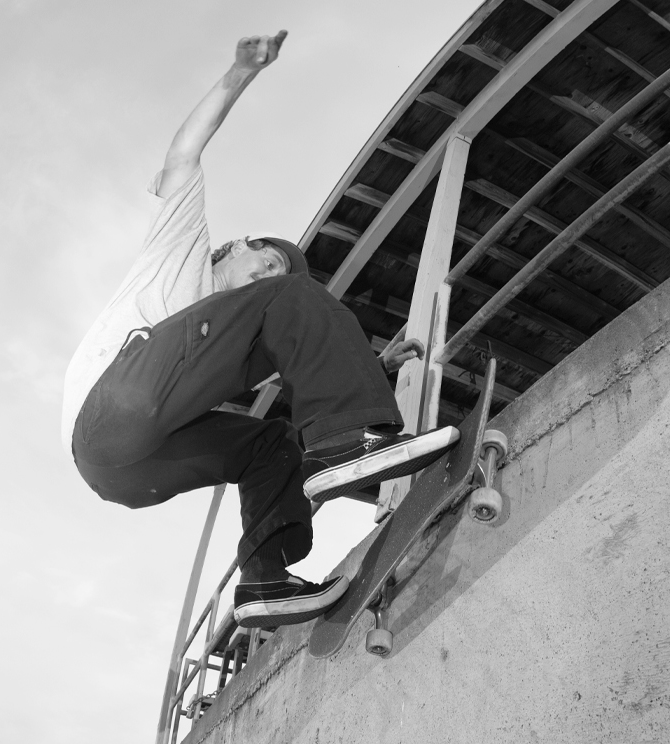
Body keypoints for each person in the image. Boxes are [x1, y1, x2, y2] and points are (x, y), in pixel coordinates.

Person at [62, 31, 458, 629]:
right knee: (289, 305)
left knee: (270, 442)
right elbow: (184, 154)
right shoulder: (182, 251)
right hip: (109, 411)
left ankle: (264, 580)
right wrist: (240, 71)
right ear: (235, 246)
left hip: (130, 474)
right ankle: (347, 444)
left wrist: (374, 368)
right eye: (265, 261)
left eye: (274, 273)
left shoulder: (240, 335)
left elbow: (304, 363)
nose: (267, 275)